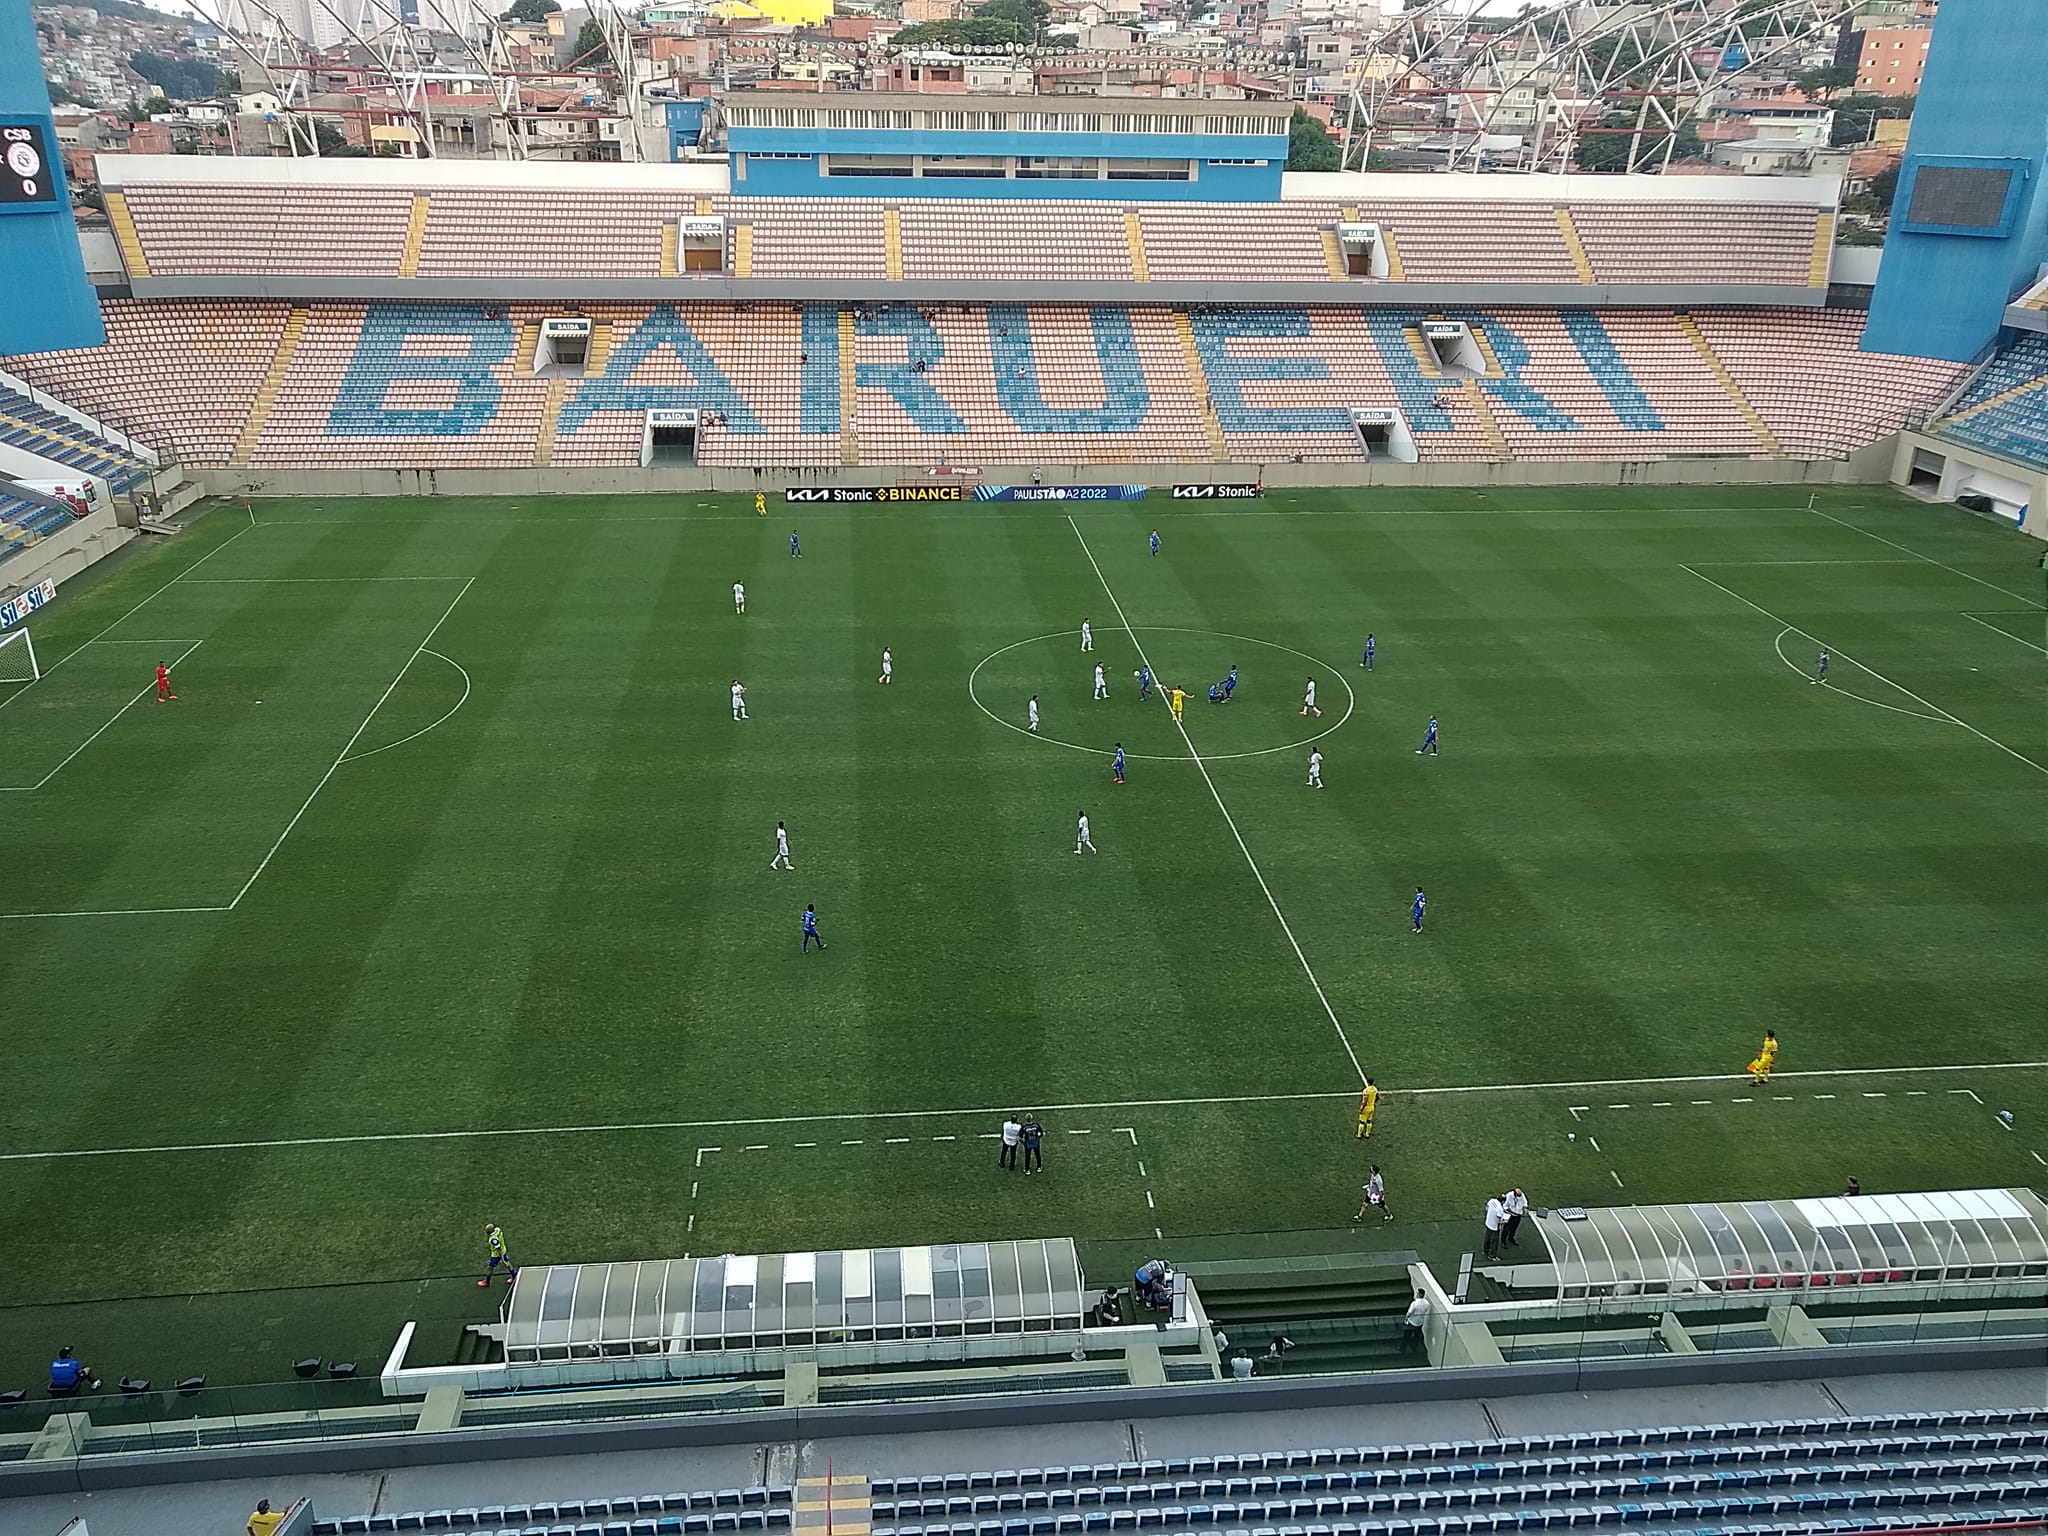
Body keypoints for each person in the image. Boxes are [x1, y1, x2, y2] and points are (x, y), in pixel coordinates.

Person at [480, 1223, 514, 1288]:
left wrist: (503, 1260)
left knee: (490, 1268)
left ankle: (487, 1282)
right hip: (504, 1251)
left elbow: (499, 1249)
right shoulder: (498, 1230)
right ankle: (514, 1276)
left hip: (496, 1255)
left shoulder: (493, 1239)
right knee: (508, 1264)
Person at [1483, 1194, 1505, 1258]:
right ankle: (1492, 1255)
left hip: (1488, 1223)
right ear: (1503, 1201)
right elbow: (1498, 1221)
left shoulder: (1491, 1201)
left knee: (1487, 1238)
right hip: (1494, 1227)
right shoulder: (1500, 1209)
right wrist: (1504, 1222)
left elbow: (1487, 1209)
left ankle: (1485, 1250)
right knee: (1494, 1242)